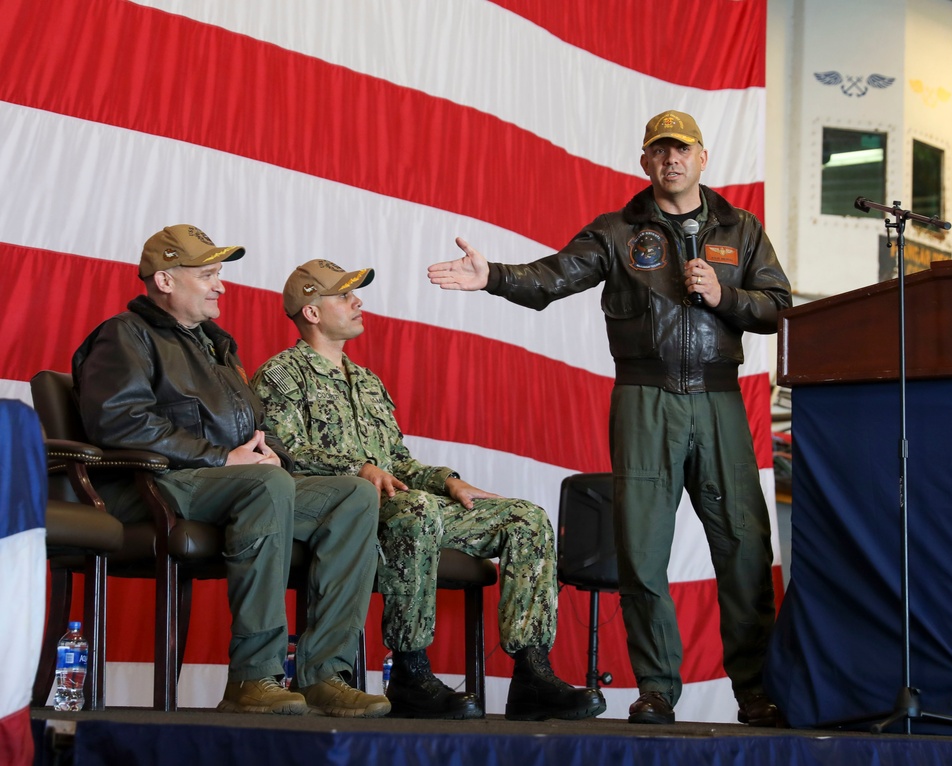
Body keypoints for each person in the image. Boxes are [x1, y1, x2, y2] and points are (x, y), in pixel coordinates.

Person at [427, 110, 792, 726]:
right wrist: (493, 277)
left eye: (682, 149)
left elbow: (778, 307)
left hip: (720, 399)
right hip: (643, 400)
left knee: (745, 549)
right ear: (645, 162)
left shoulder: (742, 229)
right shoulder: (618, 231)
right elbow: (553, 277)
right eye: (660, 151)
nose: (671, 159)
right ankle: (656, 689)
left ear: (703, 158)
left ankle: (755, 692)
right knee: (642, 554)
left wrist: (723, 296)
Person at [250, 259, 607, 722]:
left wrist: (447, 481)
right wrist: (358, 468)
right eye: (343, 295)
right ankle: (410, 671)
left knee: (526, 517)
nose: (357, 302)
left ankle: (532, 675)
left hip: (399, 501)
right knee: (416, 509)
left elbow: (397, 460)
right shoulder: (282, 375)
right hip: (338, 511)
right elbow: (285, 451)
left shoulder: (367, 382)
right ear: (312, 312)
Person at [72, 224, 391, 718]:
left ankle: (325, 674)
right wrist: (224, 459)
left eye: (219, 274)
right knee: (265, 485)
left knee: (353, 497)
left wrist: (268, 451)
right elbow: (120, 419)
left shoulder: (216, 346)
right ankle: (252, 677)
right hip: (154, 484)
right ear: (165, 281)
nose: (221, 285)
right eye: (208, 274)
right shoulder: (124, 335)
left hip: (224, 483)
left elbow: (257, 427)